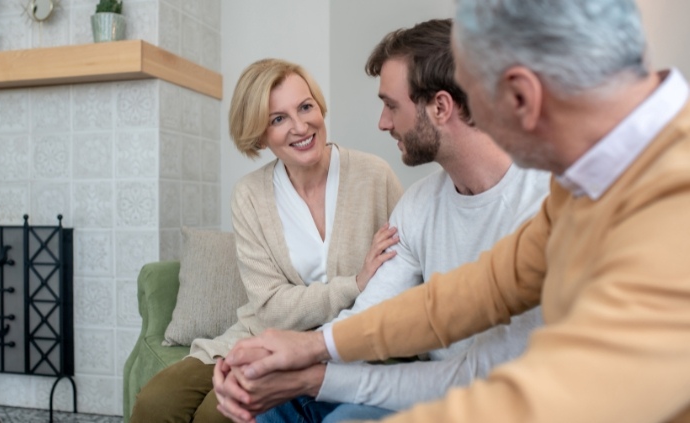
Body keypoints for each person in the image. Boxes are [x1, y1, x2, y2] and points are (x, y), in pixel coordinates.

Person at [218, 0, 690, 422]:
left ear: (521, 96)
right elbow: (472, 295)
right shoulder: (587, 183)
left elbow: (535, 401)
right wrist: (312, 347)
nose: (478, 120)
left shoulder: (672, 208)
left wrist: (314, 375)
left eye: (479, 98)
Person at [213, 19, 550, 423]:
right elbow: (368, 317)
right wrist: (287, 359)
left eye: (391, 105)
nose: (382, 122)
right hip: (436, 384)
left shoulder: (546, 202)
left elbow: (479, 374)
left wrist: (312, 372)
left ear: (440, 107)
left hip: (509, 399)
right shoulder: (419, 205)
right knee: (273, 413)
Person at [128, 59, 403, 423]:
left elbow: (406, 265)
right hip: (260, 335)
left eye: (305, 107)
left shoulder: (374, 176)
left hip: (338, 343)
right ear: (259, 135)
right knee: (155, 403)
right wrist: (354, 283)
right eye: (278, 119)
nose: (301, 126)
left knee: (219, 415)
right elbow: (271, 306)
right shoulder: (250, 195)